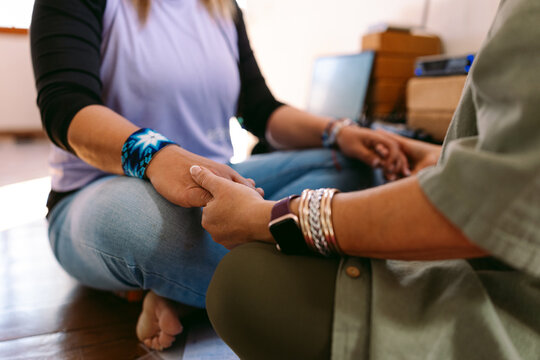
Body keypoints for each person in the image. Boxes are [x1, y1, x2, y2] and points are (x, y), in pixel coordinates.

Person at [30, 0, 409, 351]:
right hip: (102, 190)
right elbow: (66, 106)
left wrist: (337, 132)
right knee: (157, 230)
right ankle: (324, 284)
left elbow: (260, 111)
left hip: (221, 187)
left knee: (354, 166)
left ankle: (186, 292)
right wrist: (158, 157)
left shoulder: (224, 7)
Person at [189, 0, 540, 358]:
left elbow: (490, 204)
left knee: (242, 280)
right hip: (158, 178)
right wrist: (437, 157)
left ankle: (180, 290)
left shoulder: (224, 9)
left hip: (515, 297)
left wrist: (268, 217)